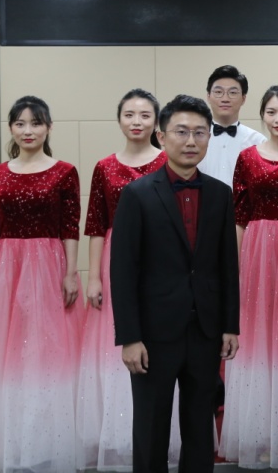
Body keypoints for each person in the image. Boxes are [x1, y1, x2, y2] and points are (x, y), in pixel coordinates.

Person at [111, 94, 240, 473]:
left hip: (205, 330)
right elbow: (123, 271)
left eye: (200, 133)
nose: (191, 141)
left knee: (200, 427)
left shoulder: (220, 194)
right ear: (162, 136)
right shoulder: (136, 194)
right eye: (181, 132)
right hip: (153, 335)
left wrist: (230, 325)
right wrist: (129, 337)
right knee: (150, 428)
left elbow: (227, 266)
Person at [0, 95, 84, 473]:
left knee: (46, 352)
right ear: (11, 128)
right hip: (4, 269)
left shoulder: (65, 172)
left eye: (36, 123)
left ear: (48, 127)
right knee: (7, 354)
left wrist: (71, 273)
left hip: (48, 266)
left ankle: (46, 440)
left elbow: (70, 228)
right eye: (20, 123)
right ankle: (9, 438)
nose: (28, 130)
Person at [77, 89, 175, 470]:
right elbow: (96, 226)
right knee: (116, 342)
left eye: (145, 115)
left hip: (162, 257)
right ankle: (117, 435)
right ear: (119, 120)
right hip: (117, 259)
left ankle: (159, 435)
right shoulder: (104, 167)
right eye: (129, 114)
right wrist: (94, 278)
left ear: (156, 122)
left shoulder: (168, 162)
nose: (137, 121)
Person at [220, 85, 278, 468]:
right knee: (259, 336)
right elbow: (239, 217)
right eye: (271, 111)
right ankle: (259, 433)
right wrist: (234, 267)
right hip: (257, 252)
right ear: (262, 115)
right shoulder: (247, 158)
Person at [199, 64, 266, 187]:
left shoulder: (258, 142)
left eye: (233, 92)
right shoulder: (195, 138)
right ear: (208, 96)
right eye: (218, 92)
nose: (225, 98)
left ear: (243, 99)